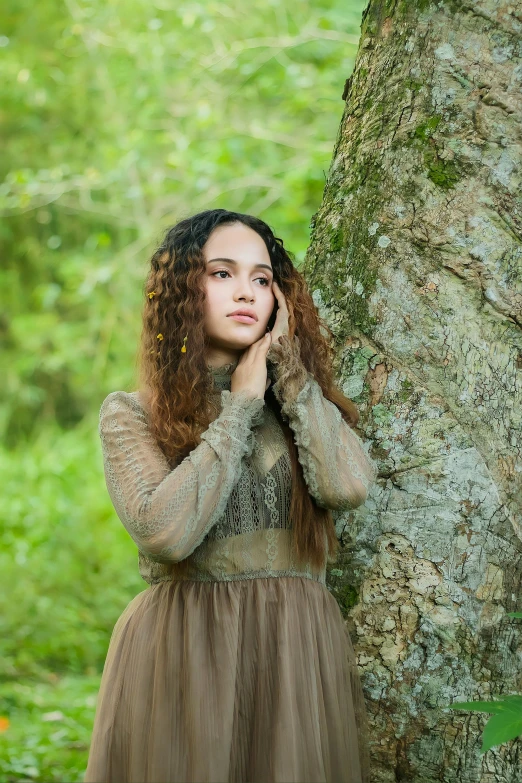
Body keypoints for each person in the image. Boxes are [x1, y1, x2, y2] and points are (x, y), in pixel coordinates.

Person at [84, 209, 378, 783]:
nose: (246, 291)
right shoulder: (132, 413)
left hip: (294, 651)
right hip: (188, 654)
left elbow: (348, 486)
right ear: (183, 293)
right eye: (222, 273)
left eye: (262, 279)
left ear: (281, 299)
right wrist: (239, 405)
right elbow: (166, 534)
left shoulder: (296, 406)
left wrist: (290, 376)